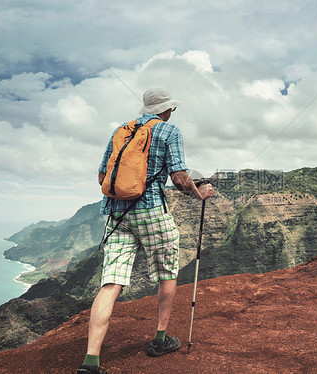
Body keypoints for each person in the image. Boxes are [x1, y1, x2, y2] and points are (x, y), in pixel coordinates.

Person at [77, 87, 213, 374]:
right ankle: (160, 339)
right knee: (166, 271)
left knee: (111, 282)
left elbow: (103, 176)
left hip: (115, 213)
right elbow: (178, 178)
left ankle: (91, 362)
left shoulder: (122, 130)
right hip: (150, 211)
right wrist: (197, 193)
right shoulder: (169, 132)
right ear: (168, 109)